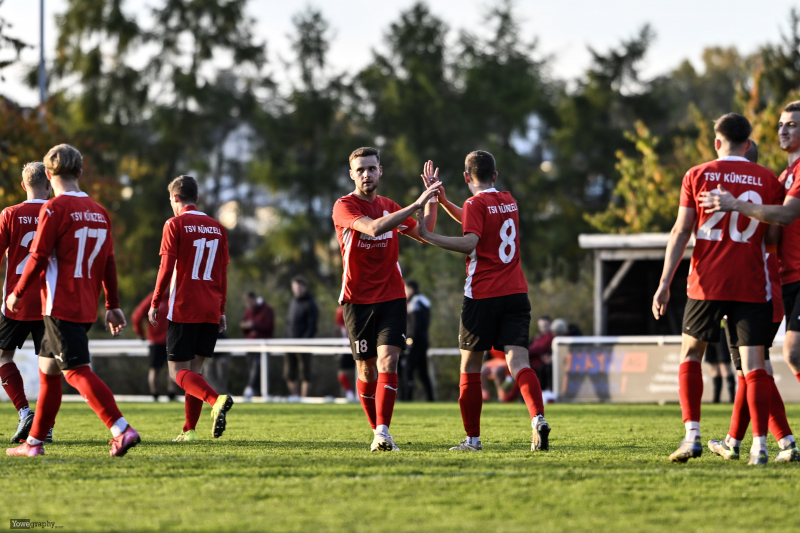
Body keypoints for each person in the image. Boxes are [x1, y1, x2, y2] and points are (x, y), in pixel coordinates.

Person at [653, 114, 782, 465]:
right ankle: (760, 447)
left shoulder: (697, 175)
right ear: (749, 143)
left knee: (691, 354)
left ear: (716, 141)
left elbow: (681, 230)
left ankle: (692, 435)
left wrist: (664, 283)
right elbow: (772, 236)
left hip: (706, 281)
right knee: (755, 366)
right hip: (751, 282)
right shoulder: (768, 178)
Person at [6, 144, 139, 457]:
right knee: (48, 370)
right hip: (85, 304)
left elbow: (38, 256)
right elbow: (108, 261)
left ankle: (121, 428)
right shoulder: (100, 211)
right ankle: (34, 443)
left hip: (58, 304)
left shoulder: (54, 208)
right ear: (80, 172)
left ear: (49, 174)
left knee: (75, 371)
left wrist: (18, 291)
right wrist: (113, 304)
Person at [416, 152, 551, 452]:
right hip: (516, 292)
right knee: (518, 361)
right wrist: (445, 201)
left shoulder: (475, 204)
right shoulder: (508, 200)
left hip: (482, 294)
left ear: (466, 177)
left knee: (471, 365)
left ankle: (473, 440)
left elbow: (469, 241)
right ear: (496, 175)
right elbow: (474, 219)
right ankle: (538, 418)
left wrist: (429, 235)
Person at [332, 147, 440, 451]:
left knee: (388, 360)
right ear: (352, 174)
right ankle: (376, 429)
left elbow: (425, 233)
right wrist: (416, 203)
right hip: (356, 300)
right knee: (366, 369)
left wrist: (430, 198)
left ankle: (383, 431)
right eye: (361, 170)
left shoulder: (388, 205)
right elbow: (373, 227)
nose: (366, 174)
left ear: (381, 171)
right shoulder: (344, 206)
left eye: (372, 168)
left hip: (392, 296)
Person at [704, 139, 799, 462]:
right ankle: (740, 440)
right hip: (772, 291)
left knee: (753, 371)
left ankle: (782, 441)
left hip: (754, 292)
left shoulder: (746, 197)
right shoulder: (771, 189)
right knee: (754, 371)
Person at [149, 175, 232, 443]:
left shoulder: (174, 224)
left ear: (175, 198)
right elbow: (222, 273)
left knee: (177, 372)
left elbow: (166, 267)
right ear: (197, 197)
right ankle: (189, 430)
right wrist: (221, 309)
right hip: (210, 308)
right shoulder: (218, 228)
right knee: (194, 372)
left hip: (185, 307)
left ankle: (215, 400)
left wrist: (155, 301)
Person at [0, 162, 50, 444]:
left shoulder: (10, 214)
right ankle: (47, 425)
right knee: (49, 365)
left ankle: (24, 412)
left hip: (14, 300)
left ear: (23, 185)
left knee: (3, 356)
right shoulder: (57, 212)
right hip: (48, 303)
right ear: (49, 184)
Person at [132, 291, 176, 401]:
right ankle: (155, 395)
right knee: (155, 369)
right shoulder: (153, 298)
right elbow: (137, 316)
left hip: (173, 340)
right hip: (156, 341)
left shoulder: (175, 298)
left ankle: (171, 394)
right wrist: (140, 333)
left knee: (174, 368)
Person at [285, 275, 318, 399]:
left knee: (305, 373)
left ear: (304, 287)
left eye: (299, 287)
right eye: (295, 287)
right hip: (289, 344)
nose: (297, 290)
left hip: (304, 345)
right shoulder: (292, 302)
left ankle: (304, 399)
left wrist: (304, 342)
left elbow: (312, 326)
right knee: (289, 373)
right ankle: (295, 397)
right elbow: (288, 323)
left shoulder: (310, 304)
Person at [400, 279, 434, 401]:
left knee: (407, 370)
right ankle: (431, 399)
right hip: (424, 341)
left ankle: (406, 398)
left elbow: (414, 326)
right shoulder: (424, 301)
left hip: (414, 343)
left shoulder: (414, 303)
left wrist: (409, 341)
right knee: (423, 372)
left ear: (410, 289)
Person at [240, 291, 274, 401]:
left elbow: (269, 327)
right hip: (250, 345)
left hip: (263, 345)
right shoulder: (248, 312)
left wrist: (254, 325)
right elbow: (244, 330)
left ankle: (250, 390)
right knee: (252, 369)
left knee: (258, 368)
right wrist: (246, 327)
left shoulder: (267, 310)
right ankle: (256, 394)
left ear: (255, 299)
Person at [702, 325, 735, 404]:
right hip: (708, 329)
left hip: (722, 330)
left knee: (724, 366)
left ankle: (732, 399)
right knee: (713, 367)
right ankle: (716, 400)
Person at [334, 306, 356, 400]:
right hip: (352, 346)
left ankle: (351, 393)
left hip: (350, 346)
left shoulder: (341, 310)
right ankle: (351, 393)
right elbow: (338, 329)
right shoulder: (341, 310)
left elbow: (337, 329)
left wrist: (335, 347)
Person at [528, 316, 555, 392]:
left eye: (545, 325)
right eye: (541, 326)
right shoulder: (538, 337)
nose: (543, 328)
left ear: (550, 325)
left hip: (540, 366)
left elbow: (540, 348)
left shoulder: (550, 337)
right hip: (531, 364)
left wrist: (525, 350)